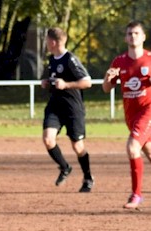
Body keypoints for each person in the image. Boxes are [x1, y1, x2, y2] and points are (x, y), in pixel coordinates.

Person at [102, 21, 151, 212]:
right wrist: (107, 77)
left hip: (150, 111)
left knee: (132, 147)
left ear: (143, 37)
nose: (133, 36)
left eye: (136, 33)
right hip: (131, 115)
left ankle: (136, 194)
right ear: (125, 37)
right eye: (129, 33)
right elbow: (107, 88)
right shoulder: (119, 62)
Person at [40, 27, 95, 192]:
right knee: (48, 139)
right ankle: (64, 167)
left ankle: (88, 177)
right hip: (55, 107)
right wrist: (46, 82)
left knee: (78, 146)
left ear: (53, 42)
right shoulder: (51, 59)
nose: (46, 43)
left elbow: (87, 82)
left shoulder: (70, 59)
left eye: (47, 40)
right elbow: (54, 79)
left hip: (72, 109)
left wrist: (66, 85)